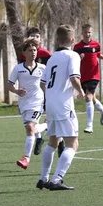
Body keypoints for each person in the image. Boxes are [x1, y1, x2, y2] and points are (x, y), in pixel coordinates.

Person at [37, 25, 85, 191]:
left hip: (50, 103)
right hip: (64, 105)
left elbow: (42, 83)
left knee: (53, 141)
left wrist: (52, 95)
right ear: (73, 40)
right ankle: (56, 179)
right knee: (73, 143)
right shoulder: (73, 56)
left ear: (57, 40)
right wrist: (81, 91)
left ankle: (43, 178)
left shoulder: (52, 58)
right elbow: (73, 78)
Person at [8, 38, 49, 169]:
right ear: (24, 53)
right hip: (24, 104)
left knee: (30, 128)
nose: (33, 52)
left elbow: (50, 83)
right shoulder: (18, 69)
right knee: (31, 128)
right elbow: (9, 84)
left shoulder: (43, 68)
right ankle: (46, 126)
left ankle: (26, 158)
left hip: (38, 102)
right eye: (30, 50)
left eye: (35, 50)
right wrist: (16, 90)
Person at [21, 26, 63, 155]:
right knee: (34, 120)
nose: (35, 39)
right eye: (32, 36)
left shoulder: (46, 55)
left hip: (47, 91)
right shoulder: (25, 54)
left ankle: (60, 142)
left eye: (37, 36)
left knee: (52, 116)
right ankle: (39, 139)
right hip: (33, 95)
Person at [74, 23, 103, 133]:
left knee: (88, 96)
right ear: (82, 33)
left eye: (89, 32)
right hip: (83, 75)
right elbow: (74, 60)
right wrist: (79, 58)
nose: (87, 34)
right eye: (85, 32)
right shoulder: (77, 47)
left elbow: (98, 54)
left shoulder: (96, 44)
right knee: (92, 97)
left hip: (94, 75)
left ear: (91, 32)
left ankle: (90, 125)